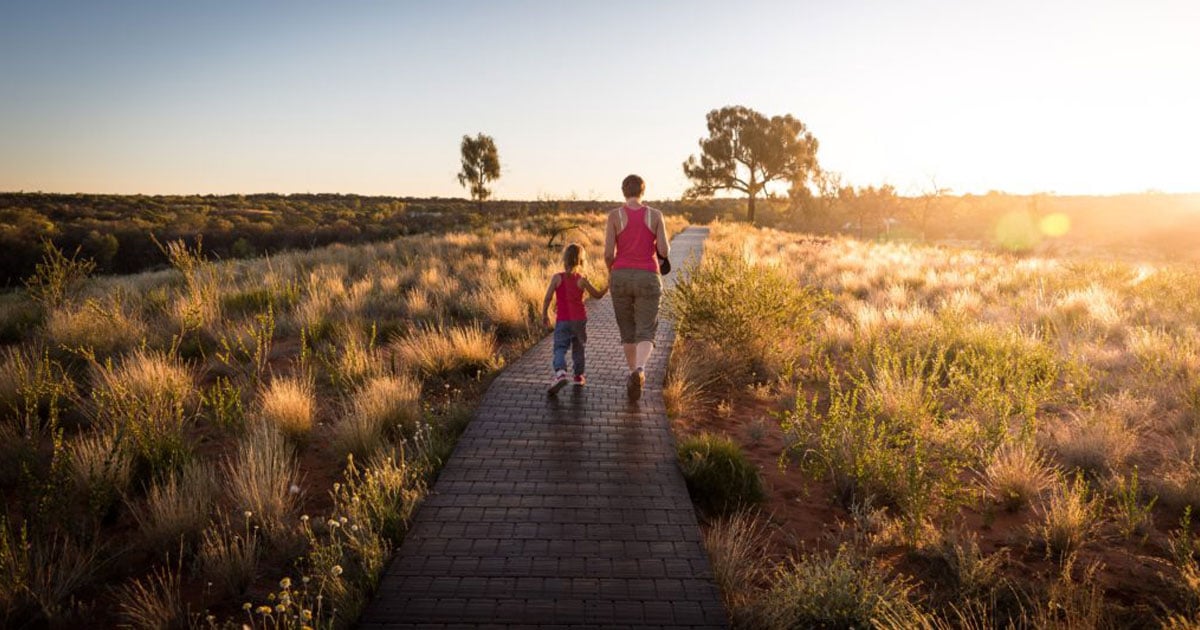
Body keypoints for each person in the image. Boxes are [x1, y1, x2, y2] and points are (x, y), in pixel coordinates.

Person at [604, 174, 669, 401]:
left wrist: (611, 271)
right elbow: (664, 249)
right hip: (648, 277)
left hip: (620, 275)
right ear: (643, 191)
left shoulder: (614, 216)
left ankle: (632, 372)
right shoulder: (655, 215)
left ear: (624, 191)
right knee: (646, 329)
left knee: (627, 329)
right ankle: (640, 370)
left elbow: (607, 253)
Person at [541, 243, 607, 395]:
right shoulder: (581, 280)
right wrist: (608, 286)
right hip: (579, 320)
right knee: (579, 348)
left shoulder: (557, 278)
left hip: (563, 320)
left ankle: (561, 373)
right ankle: (578, 376)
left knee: (560, 348)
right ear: (581, 261)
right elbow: (597, 295)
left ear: (565, 259)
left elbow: (548, 298)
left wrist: (544, 314)